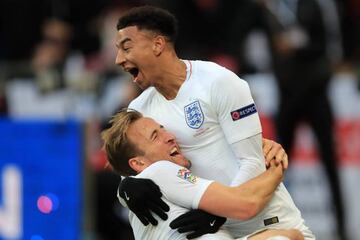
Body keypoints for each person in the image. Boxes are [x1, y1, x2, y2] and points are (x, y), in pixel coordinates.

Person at [114, 5, 314, 239]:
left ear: (158, 45)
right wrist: (125, 188)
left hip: (267, 222)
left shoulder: (218, 82)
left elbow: (253, 161)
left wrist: (218, 213)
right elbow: (136, 167)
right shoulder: (139, 109)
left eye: (126, 47)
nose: (118, 59)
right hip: (210, 230)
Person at [101, 109, 304, 240]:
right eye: (156, 137)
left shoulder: (151, 194)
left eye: (163, 129)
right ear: (138, 163)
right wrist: (276, 168)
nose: (170, 137)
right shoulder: (160, 171)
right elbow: (246, 204)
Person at [258, 1, 347, 239]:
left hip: (315, 93)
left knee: (330, 162)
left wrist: (298, 44)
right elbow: (267, 45)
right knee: (278, 164)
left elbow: (325, 45)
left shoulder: (311, 5)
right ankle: (274, 223)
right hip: (288, 96)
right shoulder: (269, 8)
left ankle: (342, 225)